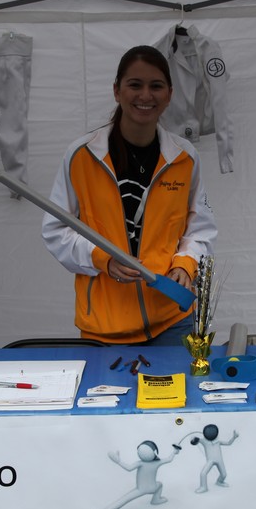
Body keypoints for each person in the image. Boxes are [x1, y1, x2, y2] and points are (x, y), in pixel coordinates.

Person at [43, 45, 217, 345]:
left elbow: (200, 228)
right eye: (135, 85)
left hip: (172, 321)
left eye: (156, 86)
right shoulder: (81, 156)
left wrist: (185, 264)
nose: (145, 96)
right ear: (117, 91)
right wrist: (103, 260)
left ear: (169, 94)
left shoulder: (184, 158)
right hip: (104, 326)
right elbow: (56, 230)